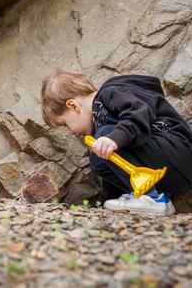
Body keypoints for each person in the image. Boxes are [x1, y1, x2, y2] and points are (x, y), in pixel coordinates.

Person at [41, 69, 192, 216]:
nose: (71, 132)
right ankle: (149, 199)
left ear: (73, 106)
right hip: (166, 172)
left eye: (66, 124)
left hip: (179, 152)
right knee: (98, 157)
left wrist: (114, 138)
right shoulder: (99, 120)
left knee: (104, 138)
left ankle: (151, 198)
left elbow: (139, 112)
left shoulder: (111, 93)